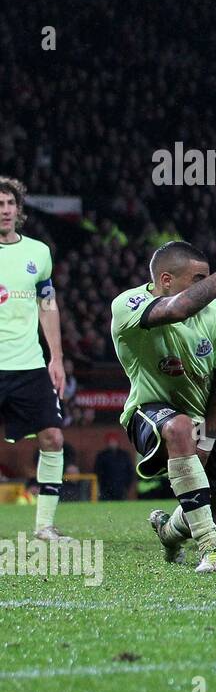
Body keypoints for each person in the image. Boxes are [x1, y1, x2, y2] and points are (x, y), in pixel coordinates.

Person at [111, 215, 216, 573]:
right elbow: (177, 309)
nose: (210, 286)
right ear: (166, 280)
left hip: (206, 418)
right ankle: (212, 550)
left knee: (204, 508)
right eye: (199, 280)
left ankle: (169, 532)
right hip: (147, 412)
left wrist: (209, 439)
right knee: (179, 428)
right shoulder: (128, 305)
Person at [0, 177, 71, 541]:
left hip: (28, 365)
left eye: (10, 204)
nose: (5, 210)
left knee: (53, 438)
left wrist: (55, 357)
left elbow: (47, 305)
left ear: (19, 209)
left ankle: (44, 525)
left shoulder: (38, 253)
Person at [93, 434, 134, 501]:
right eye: (111, 441)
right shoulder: (102, 455)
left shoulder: (124, 455)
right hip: (106, 487)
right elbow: (98, 470)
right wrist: (102, 484)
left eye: (114, 441)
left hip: (121, 486)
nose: (113, 443)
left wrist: (127, 485)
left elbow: (130, 471)